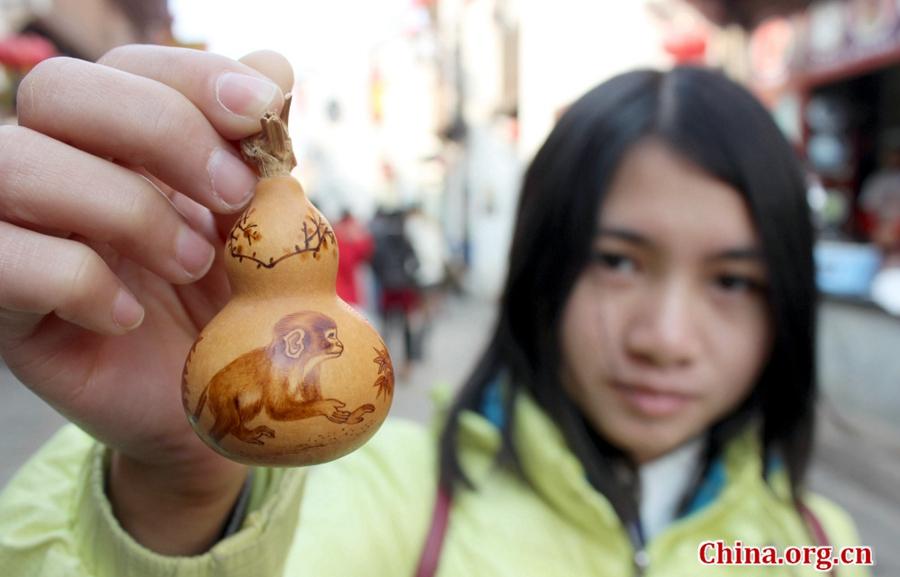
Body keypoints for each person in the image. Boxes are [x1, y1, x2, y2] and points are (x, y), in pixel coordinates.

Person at [0, 46, 869, 577]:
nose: (666, 339)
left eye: (733, 281)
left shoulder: (816, 545)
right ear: (540, 267)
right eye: (616, 261)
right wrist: (177, 490)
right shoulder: (386, 494)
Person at [332, 208, 374, 309]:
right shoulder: (343, 242)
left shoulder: (335, 237)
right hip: (344, 294)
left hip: (341, 293)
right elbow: (366, 251)